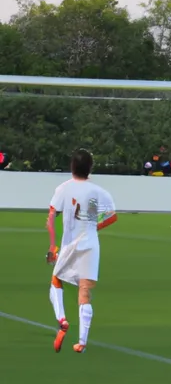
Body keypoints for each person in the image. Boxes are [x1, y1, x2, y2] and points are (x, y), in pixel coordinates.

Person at [46, 148, 117, 354]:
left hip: (69, 245)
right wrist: (95, 227)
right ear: (90, 168)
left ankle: (62, 320)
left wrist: (52, 246)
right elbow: (111, 216)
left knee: (56, 281)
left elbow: (51, 218)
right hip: (90, 244)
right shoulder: (97, 191)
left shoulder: (63, 189)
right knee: (84, 291)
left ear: (72, 167)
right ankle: (81, 342)